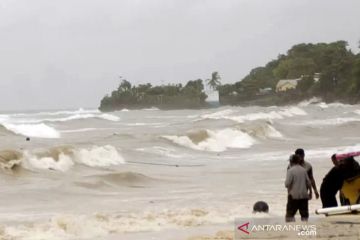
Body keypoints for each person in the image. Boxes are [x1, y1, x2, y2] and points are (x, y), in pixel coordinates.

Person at [285, 154, 311, 222]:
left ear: (291, 161)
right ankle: (305, 228)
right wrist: (310, 193)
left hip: (293, 196)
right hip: (304, 196)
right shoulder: (304, 170)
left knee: (290, 214)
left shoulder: (290, 171)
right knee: (304, 215)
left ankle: (291, 228)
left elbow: (287, 184)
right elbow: (308, 183)